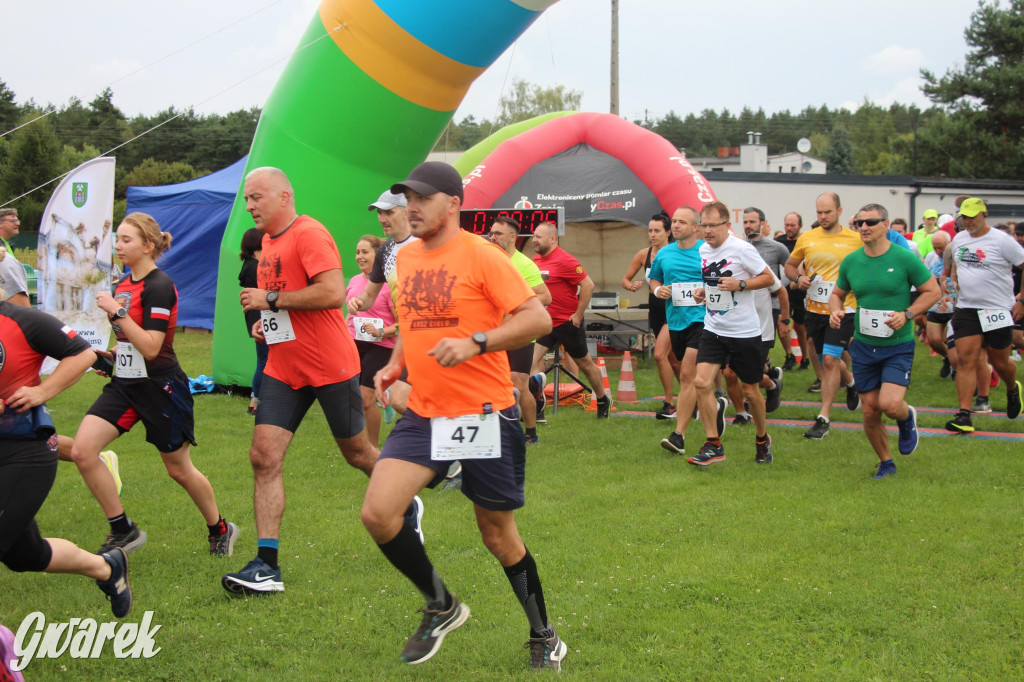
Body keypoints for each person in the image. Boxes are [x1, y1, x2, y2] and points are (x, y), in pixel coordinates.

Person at [360, 161, 566, 670]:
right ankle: (441, 604)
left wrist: (478, 342)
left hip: (486, 414)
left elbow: (538, 317)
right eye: (407, 197)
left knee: (497, 535)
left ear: (453, 204)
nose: (412, 206)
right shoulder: (404, 260)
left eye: (423, 198)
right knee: (378, 513)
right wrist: (393, 366)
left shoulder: (482, 255)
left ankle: (544, 633)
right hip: (425, 412)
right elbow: (410, 321)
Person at [223, 167, 391, 594]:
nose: (249, 207)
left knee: (356, 453)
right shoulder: (266, 243)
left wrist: (271, 299)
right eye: (246, 200)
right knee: (263, 457)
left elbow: (333, 292)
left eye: (256, 198)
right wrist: (267, 320)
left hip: (330, 365)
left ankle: (405, 499)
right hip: (284, 366)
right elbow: (282, 298)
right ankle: (266, 565)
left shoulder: (309, 233)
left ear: (284, 197)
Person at [68, 212, 236, 558]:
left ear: (148, 245)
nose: (118, 246)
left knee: (178, 470)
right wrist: (113, 356)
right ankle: (122, 529)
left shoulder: (159, 285)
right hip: (125, 385)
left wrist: (117, 313)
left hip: (161, 388)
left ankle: (220, 528)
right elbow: (132, 344)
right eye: (117, 239)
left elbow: (151, 347)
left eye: (126, 240)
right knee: (84, 451)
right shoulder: (122, 285)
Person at [0, 287, 133, 619]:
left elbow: (82, 352)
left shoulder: (21, 320)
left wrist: (42, 390)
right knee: (23, 555)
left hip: (25, 453)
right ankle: (107, 568)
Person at [828, 204, 940, 479]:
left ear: (886, 224)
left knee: (890, 405)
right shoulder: (852, 261)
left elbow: (933, 291)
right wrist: (835, 310)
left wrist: (908, 314)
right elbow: (837, 293)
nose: (864, 227)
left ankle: (905, 417)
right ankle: (886, 462)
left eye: (871, 222)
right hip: (864, 345)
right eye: (859, 223)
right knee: (870, 409)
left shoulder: (904, 258)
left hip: (897, 345)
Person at [688, 201, 777, 466]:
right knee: (702, 383)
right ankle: (713, 444)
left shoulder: (742, 249)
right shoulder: (703, 249)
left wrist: (740, 284)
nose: (707, 231)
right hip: (714, 328)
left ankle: (762, 439)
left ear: (727, 225)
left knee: (750, 390)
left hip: (744, 331)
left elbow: (769, 278)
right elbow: (714, 282)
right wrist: (704, 292)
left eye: (712, 226)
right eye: (703, 225)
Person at [784, 193, 862, 440]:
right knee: (826, 358)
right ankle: (851, 382)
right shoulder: (807, 238)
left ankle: (823, 418)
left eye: (827, 212)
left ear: (839, 210)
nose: (823, 217)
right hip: (815, 310)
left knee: (829, 360)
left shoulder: (855, 239)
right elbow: (790, 266)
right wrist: (799, 279)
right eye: (819, 213)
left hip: (843, 309)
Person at [943, 198, 1024, 432]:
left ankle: (1011, 388)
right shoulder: (958, 240)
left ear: (985, 214)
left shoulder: (1002, 241)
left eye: (972, 217)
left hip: (997, 308)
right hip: (967, 308)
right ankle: (964, 416)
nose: (968, 222)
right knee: (966, 359)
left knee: (1000, 361)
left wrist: (1021, 300)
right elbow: (958, 269)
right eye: (964, 217)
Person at [650, 206, 720, 456]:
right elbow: (654, 279)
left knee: (688, 375)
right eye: (675, 221)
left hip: (703, 320)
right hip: (676, 321)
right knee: (698, 382)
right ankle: (714, 408)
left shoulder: (707, 253)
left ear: (696, 228)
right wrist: (658, 291)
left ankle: (678, 435)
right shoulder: (664, 254)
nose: (676, 225)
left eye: (682, 222)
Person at [531, 222, 611, 418]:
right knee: (531, 361)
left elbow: (588, 285)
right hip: (545, 323)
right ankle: (537, 404)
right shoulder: (535, 260)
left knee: (585, 364)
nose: (534, 240)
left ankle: (602, 399)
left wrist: (578, 314)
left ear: (552, 239)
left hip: (567, 323)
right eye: (534, 236)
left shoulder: (565, 260)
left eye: (538, 237)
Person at [348, 190, 416, 415]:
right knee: (401, 399)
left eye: (388, 212)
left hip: (433, 333)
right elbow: (369, 295)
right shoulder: (386, 251)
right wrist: (358, 302)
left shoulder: (424, 242)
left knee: (402, 398)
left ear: (406, 212)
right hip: (407, 338)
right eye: (379, 212)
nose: (381, 218)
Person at [487, 216, 551, 445]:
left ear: (513, 237)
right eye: (491, 233)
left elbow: (545, 296)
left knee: (517, 383)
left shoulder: (524, 264)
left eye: (498, 234)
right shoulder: (485, 260)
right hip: (492, 334)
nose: (492, 237)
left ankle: (531, 433)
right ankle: (497, 432)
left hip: (521, 333)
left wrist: (515, 309)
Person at [621, 213, 680, 419]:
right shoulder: (643, 254)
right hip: (655, 309)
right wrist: (633, 285)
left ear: (668, 232)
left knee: (659, 354)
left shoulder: (675, 252)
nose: (652, 235)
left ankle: (670, 404)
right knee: (673, 360)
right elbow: (625, 280)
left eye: (657, 231)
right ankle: (695, 397)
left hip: (674, 309)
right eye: (650, 230)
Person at [345, 234, 399, 446]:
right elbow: (350, 316)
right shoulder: (354, 281)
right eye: (357, 252)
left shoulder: (388, 284)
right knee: (353, 397)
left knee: (365, 397)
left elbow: (401, 323)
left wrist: (381, 332)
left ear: (378, 255)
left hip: (381, 346)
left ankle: (372, 448)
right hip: (354, 342)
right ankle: (385, 396)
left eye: (365, 252)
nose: (359, 256)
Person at [776, 211, 811, 371]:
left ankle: (805, 358)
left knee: (800, 327)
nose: (789, 229)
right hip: (783, 291)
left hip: (800, 291)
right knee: (781, 323)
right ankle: (789, 355)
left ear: (800, 226)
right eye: (786, 225)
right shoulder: (779, 243)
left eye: (792, 225)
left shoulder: (805, 242)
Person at [239, 227, 267, 416]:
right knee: (264, 360)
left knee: (263, 359)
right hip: (260, 317)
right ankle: (256, 401)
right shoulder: (256, 267)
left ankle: (255, 400)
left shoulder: (248, 265)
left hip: (255, 317)